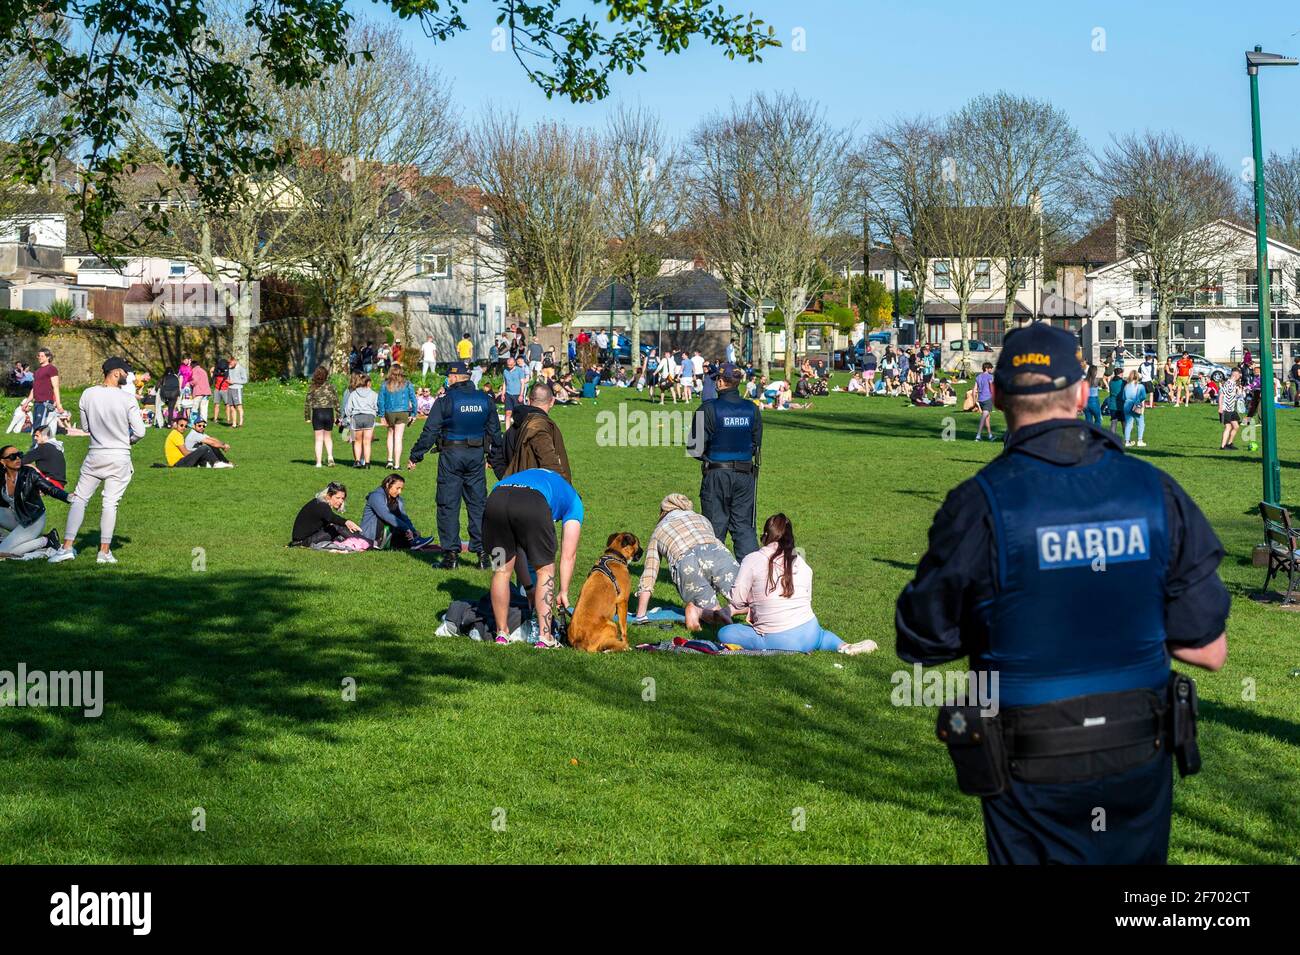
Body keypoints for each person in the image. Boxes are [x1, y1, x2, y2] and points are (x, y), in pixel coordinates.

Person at [896, 322, 1230, 864]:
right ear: (1082, 393)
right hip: (1135, 750)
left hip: (1029, 758)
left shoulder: (978, 503)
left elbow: (922, 641)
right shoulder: (1155, 490)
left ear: (999, 395)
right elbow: (1207, 649)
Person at [718, 513, 875, 655]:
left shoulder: (752, 559)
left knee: (725, 633)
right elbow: (807, 599)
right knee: (822, 635)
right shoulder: (800, 561)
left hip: (779, 640)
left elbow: (737, 601)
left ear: (766, 536)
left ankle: (827, 645)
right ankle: (843, 646)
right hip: (810, 631)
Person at [407, 360, 502, 569]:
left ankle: (451, 556)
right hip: (476, 455)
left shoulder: (446, 400)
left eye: (450, 376)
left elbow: (430, 432)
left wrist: (416, 455)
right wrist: (496, 459)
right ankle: (484, 556)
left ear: (457, 377)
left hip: (451, 455)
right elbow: (495, 433)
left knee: (448, 504)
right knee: (478, 505)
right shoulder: (485, 399)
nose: (448, 379)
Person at [50, 357, 146, 564]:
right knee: (110, 503)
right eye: (125, 372)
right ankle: (104, 552)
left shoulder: (87, 394)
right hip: (119, 455)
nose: (128, 376)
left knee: (80, 499)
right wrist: (128, 440)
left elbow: (85, 428)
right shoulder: (127, 399)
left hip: (95, 453)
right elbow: (140, 431)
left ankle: (67, 547)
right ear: (115, 372)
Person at [483, 467, 583, 647]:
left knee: (500, 570)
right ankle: (545, 638)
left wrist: (529, 587)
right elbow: (569, 555)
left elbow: (518, 549)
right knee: (545, 570)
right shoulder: (575, 502)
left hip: (496, 500)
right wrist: (564, 591)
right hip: (532, 503)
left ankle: (501, 633)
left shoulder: (546, 479)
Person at [634, 493, 738, 632]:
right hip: (718, 553)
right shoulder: (702, 519)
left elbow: (650, 573)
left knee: (713, 613)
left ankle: (701, 610)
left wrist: (640, 615)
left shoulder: (659, 531)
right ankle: (734, 611)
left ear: (663, 512)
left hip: (687, 562)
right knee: (749, 599)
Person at [691, 363, 761, 561]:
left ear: (721, 382)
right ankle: (751, 573)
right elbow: (756, 444)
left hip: (717, 474)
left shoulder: (708, 408)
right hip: (745, 475)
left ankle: (713, 574)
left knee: (714, 527)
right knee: (744, 527)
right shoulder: (751, 409)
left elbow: (694, 448)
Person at [493, 380, 571, 482]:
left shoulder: (512, 428)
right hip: (537, 491)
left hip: (515, 491)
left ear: (529, 400)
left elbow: (496, 458)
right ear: (552, 402)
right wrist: (566, 491)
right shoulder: (539, 426)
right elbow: (551, 464)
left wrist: (509, 481)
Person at [0, 443, 68, 558]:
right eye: (12, 457)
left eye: (19, 455)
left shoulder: (29, 473)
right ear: (3, 462)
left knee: (2, 551)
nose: (17, 458)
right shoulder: (1, 476)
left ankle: (46, 541)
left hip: (33, 520)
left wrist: (68, 497)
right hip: (17, 517)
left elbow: (50, 488)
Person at [361, 473, 433, 550]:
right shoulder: (376, 496)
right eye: (397, 488)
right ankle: (380, 543)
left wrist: (413, 531)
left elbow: (404, 517)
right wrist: (406, 528)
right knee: (392, 520)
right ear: (388, 484)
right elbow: (386, 515)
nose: (399, 492)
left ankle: (415, 541)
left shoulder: (398, 499)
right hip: (371, 535)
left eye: (401, 489)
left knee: (414, 532)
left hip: (388, 532)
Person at [290, 483, 365, 548]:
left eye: (343, 498)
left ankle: (362, 540)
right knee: (336, 527)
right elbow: (333, 518)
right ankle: (366, 542)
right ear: (328, 496)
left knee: (335, 528)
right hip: (302, 542)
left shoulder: (319, 503)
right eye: (338, 498)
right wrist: (347, 522)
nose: (341, 501)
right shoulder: (321, 505)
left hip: (304, 539)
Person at [378, 364, 416, 470]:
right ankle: (397, 464)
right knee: (398, 438)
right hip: (403, 411)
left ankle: (390, 460)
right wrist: (414, 414)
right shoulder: (407, 384)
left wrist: (381, 414)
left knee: (390, 434)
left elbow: (380, 400)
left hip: (389, 412)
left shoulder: (385, 384)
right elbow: (413, 399)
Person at [305, 365, 340, 468]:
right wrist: (338, 416)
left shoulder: (312, 387)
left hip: (317, 413)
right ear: (326, 375)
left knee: (319, 439)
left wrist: (307, 417)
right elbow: (336, 402)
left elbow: (307, 403)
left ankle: (319, 463)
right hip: (329, 413)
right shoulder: (331, 386)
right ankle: (330, 457)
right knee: (328, 437)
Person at [342, 372, 378, 468]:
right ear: (368, 383)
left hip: (357, 417)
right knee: (367, 442)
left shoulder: (353, 393)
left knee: (357, 441)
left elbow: (348, 408)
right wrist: (375, 413)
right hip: (369, 417)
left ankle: (357, 461)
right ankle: (367, 463)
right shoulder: (374, 394)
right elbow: (377, 407)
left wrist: (348, 417)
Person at [164, 417, 232, 468]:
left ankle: (219, 463)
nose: (184, 427)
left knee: (205, 448)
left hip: (181, 461)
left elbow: (211, 439)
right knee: (204, 448)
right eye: (181, 425)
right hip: (178, 463)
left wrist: (223, 444)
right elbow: (185, 453)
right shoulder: (177, 435)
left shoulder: (177, 434)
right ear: (176, 425)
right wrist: (198, 453)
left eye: (185, 426)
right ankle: (216, 463)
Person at [29, 347, 62, 447]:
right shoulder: (37, 371)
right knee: (38, 425)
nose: (39, 357)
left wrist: (59, 404)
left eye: (42, 356)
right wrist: (26, 402)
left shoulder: (51, 369)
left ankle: (36, 447)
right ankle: (48, 446)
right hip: (37, 402)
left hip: (46, 402)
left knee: (39, 427)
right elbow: (34, 389)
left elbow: (55, 387)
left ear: (48, 357)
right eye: (38, 355)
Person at [1219, 367, 1244, 451]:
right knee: (1228, 427)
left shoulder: (1234, 384)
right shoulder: (1228, 383)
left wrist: (1239, 391)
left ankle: (1229, 443)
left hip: (1232, 409)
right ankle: (1222, 446)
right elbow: (1221, 395)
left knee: (1236, 426)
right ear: (1235, 375)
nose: (1240, 376)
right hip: (1226, 409)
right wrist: (1220, 407)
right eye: (1239, 374)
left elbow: (1234, 396)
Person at [501, 356, 529, 430]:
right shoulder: (505, 371)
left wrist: (521, 395)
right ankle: (507, 431)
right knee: (508, 413)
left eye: (510, 365)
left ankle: (519, 429)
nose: (509, 366)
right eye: (508, 365)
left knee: (518, 414)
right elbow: (504, 383)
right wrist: (503, 394)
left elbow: (522, 383)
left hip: (517, 394)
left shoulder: (520, 370)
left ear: (514, 363)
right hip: (508, 394)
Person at [1122, 369, 1148, 448]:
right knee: (1140, 423)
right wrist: (1139, 400)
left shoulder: (1126, 386)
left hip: (1126, 405)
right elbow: (1143, 396)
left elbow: (1123, 397)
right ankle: (1140, 440)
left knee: (1128, 424)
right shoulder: (1140, 386)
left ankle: (1127, 441)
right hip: (1135, 405)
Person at [974, 362, 995, 440]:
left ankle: (990, 435)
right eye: (990, 368)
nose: (991, 369)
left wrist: (974, 400)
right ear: (986, 368)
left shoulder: (978, 377)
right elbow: (991, 387)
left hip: (981, 400)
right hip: (987, 398)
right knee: (984, 417)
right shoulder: (990, 376)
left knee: (987, 417)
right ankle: (978, 435)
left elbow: (974, 389)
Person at [225, 355, 247, 428]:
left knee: (239, 406)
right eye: (229, 363)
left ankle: (240, 423)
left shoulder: (241, 369)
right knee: (231, 407)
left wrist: (233, 381)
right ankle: (234, 424)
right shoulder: (229, 368)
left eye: (230, 363)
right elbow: (228, 378)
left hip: (237, 389)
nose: (229, 364)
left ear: (234, 360)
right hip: (230, 389)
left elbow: (245, 380)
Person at [1082, 364, 1103, 428]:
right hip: (1094, 401)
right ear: (1095, 372)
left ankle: (1088, 436)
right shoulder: (1096, 380)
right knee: (1098, 420)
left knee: (1088, 421)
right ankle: (1096, 435)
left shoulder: (1084, 380)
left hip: (1085, 401)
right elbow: (1101, 385)